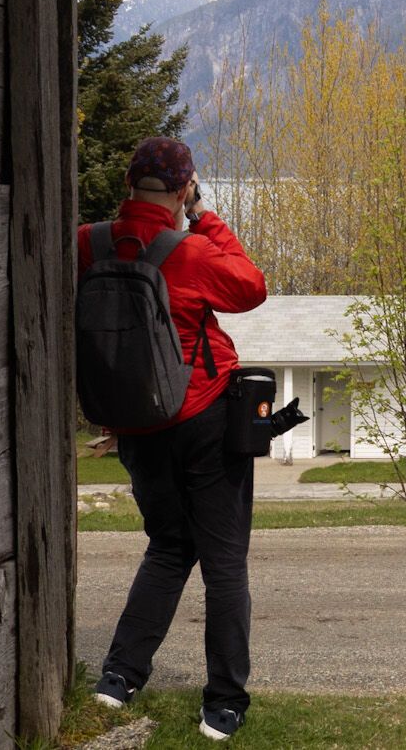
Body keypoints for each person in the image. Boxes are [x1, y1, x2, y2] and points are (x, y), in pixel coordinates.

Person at [81, 136, 268, 742]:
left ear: (127, 183)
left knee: (167, 546)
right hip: (205, 418)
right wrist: (205, 217)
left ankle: (119, 678)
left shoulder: (87, 243)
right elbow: (250, 287)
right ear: (184, 188)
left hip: (135, 424)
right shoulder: (189, 250)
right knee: (224, 562)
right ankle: (223, 705)